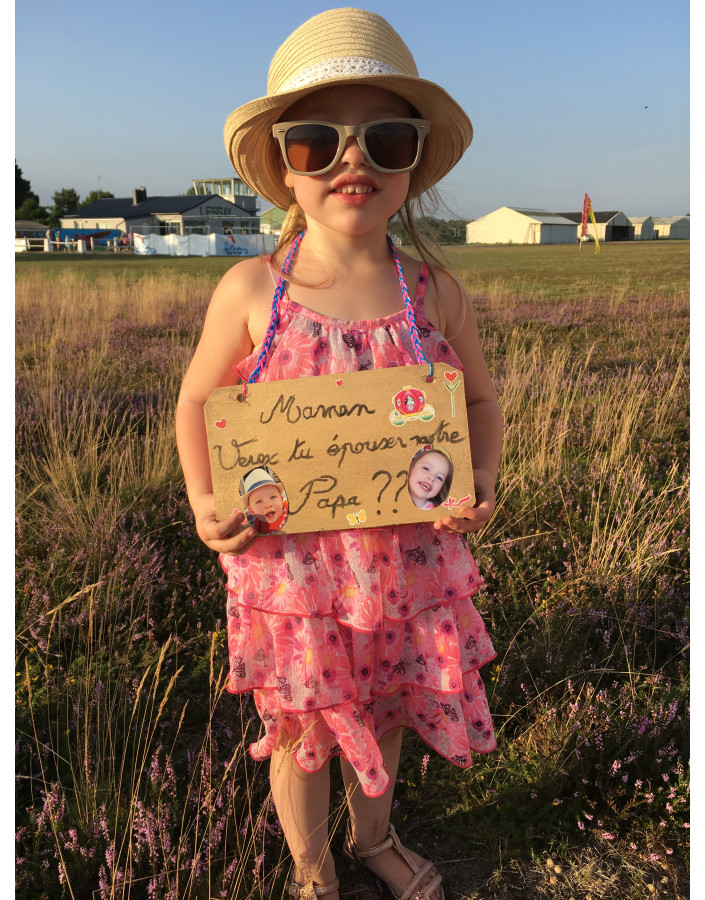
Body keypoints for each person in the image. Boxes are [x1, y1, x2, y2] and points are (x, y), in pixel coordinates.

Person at [176, 9, 503, 899]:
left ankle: (373, 838)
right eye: (317, 142)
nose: (351, 160)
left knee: (387, 709)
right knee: (302, 728)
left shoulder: (436, 291)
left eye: (383, 138)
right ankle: (311, 866)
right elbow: (199, 402)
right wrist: (208, 504)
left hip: (408, 557)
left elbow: (475, 397)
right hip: (292, 570)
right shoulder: (251, 289)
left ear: (411, 164)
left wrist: (485, 476)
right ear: (284, 168)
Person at [241, 466, 289, 534]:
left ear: (281, 499)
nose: (268, 505)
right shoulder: (254, 526)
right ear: (252, 511)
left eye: (273, 497)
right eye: (259, 501)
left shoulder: (287, 508)